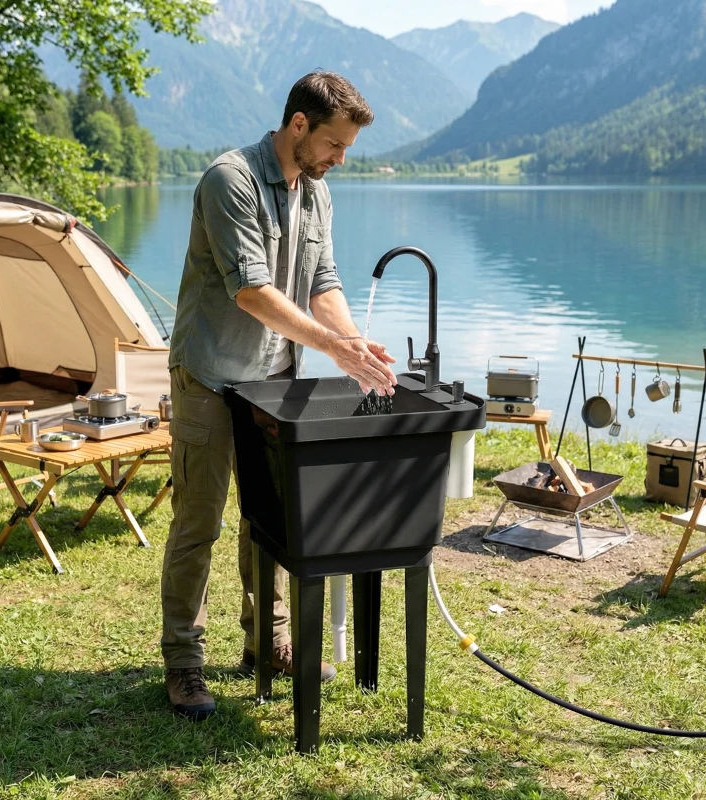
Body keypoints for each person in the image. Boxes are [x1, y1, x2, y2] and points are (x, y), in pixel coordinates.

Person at [162, 71, 397, 721]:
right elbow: (252, 291)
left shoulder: (316, 192)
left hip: (275, 382)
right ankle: (183, 661)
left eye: (347, 148)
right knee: (199, 524)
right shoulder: (229, 180)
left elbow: (324, 282)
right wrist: (334, 348)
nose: (340, 159)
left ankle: (268, 643)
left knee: (270, 521)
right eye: (334, 144)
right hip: (210, 376)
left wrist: (356, 345)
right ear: (298, 125)